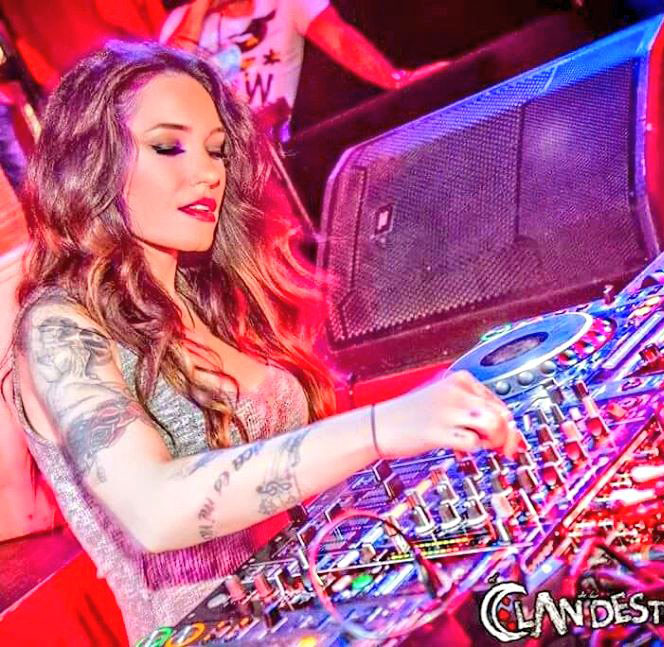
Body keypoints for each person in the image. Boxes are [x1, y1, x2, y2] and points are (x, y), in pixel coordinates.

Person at [7, 41, 516, 644]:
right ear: (93, 163)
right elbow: (154, 509)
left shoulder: (206, 297)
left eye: (216, 149)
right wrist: (382, 428)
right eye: (168, 146)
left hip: (332, 611)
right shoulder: (59, 325)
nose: (207, 172)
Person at [160, 0, 448, 138]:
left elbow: (340, 38)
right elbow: (166, 80)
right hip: (216, 157)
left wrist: (395, 80)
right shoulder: (180, 23)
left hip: (276, 150)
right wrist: (198, 10)